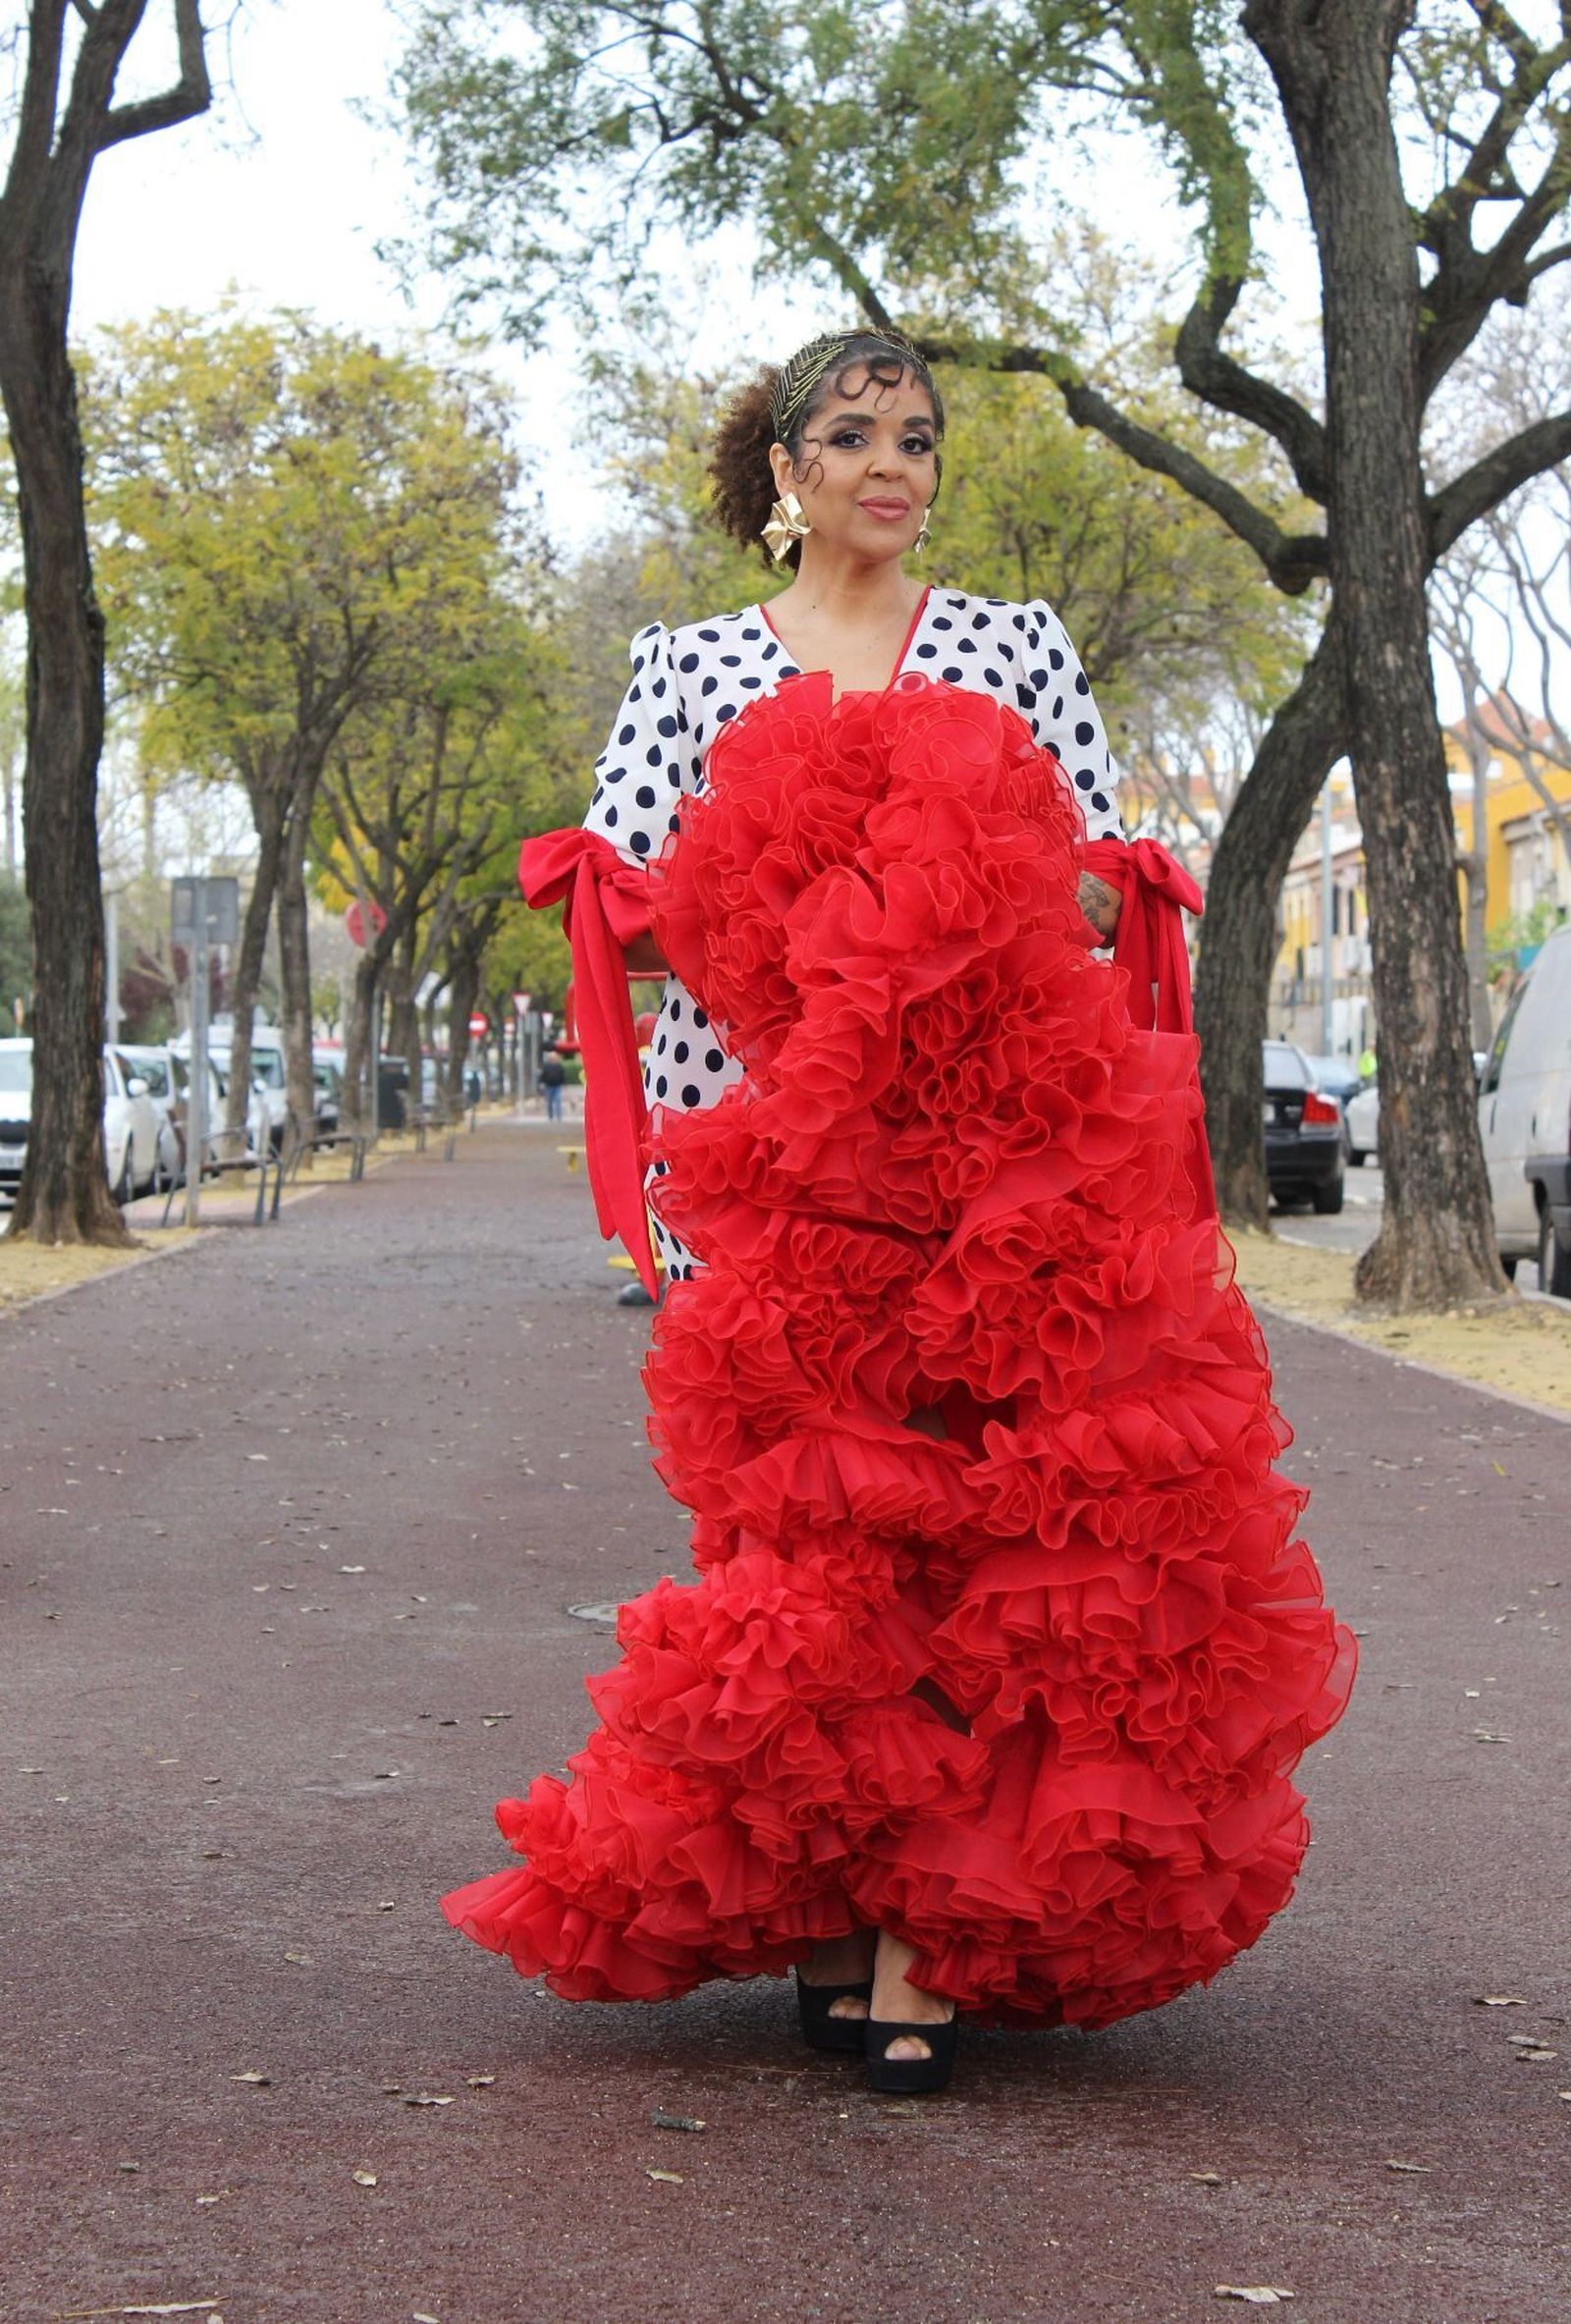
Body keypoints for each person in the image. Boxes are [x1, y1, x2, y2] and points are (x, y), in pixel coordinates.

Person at [445, 327, 1355, 2095]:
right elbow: (629, 895)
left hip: (993, 1171)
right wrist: (798, 918)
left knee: (980, 1542)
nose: (892, 463)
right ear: (783, 474)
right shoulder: (691, 663)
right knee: (812, 1556)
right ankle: (831, 1901)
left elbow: (1090, 882)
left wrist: (948, 919)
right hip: (777, 1167)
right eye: (854, 435)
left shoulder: (1012, 646)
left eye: (917, 437)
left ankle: (921, 1941)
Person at [538, 1047, 567, 1122]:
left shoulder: (559, 1066)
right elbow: (542, 1075)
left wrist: (564, 1084)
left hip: (557, 1086)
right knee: (549, 1102)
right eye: (552, 1057)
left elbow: (562, 1076)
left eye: (554, 1057)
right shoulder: (546, 1066)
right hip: (549, 1086)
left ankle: (559, 1117)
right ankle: (550, 1117)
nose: (553, 1058)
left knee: (558, 1101)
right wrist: (542, 1083)